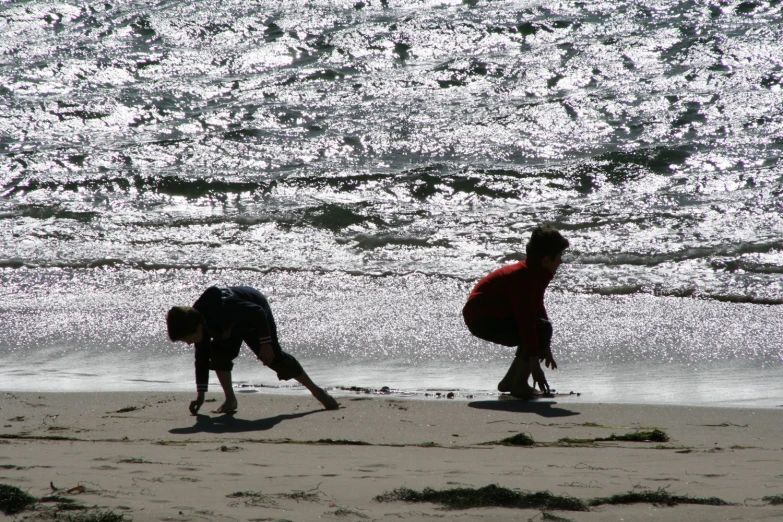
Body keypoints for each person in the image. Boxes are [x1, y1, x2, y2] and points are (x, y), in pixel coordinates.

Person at [167, 286, 339, 414]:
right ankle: (230, 400)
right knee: (218, 355)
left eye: (187, 339)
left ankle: (317, 391)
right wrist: (201, 395)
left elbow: (257, 312)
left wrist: (265, 344)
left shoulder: (224, 306)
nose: (188, 344)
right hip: (228, 327)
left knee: (275, 359)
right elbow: (201, 360)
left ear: (198, 327)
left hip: (256, 314)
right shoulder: (199, 325)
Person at [462, 225, 569, 398]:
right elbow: (526, 321)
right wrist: (535, 366)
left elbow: (537, 307)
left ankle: (511, 381)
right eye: (559, 257)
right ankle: (519, 384)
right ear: (547, 260)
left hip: (488, 316)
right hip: (481, 318)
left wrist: (545, 345)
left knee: (542, 328)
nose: (561, 262)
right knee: (538, 330)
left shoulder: (535, 272)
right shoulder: (524, 277)